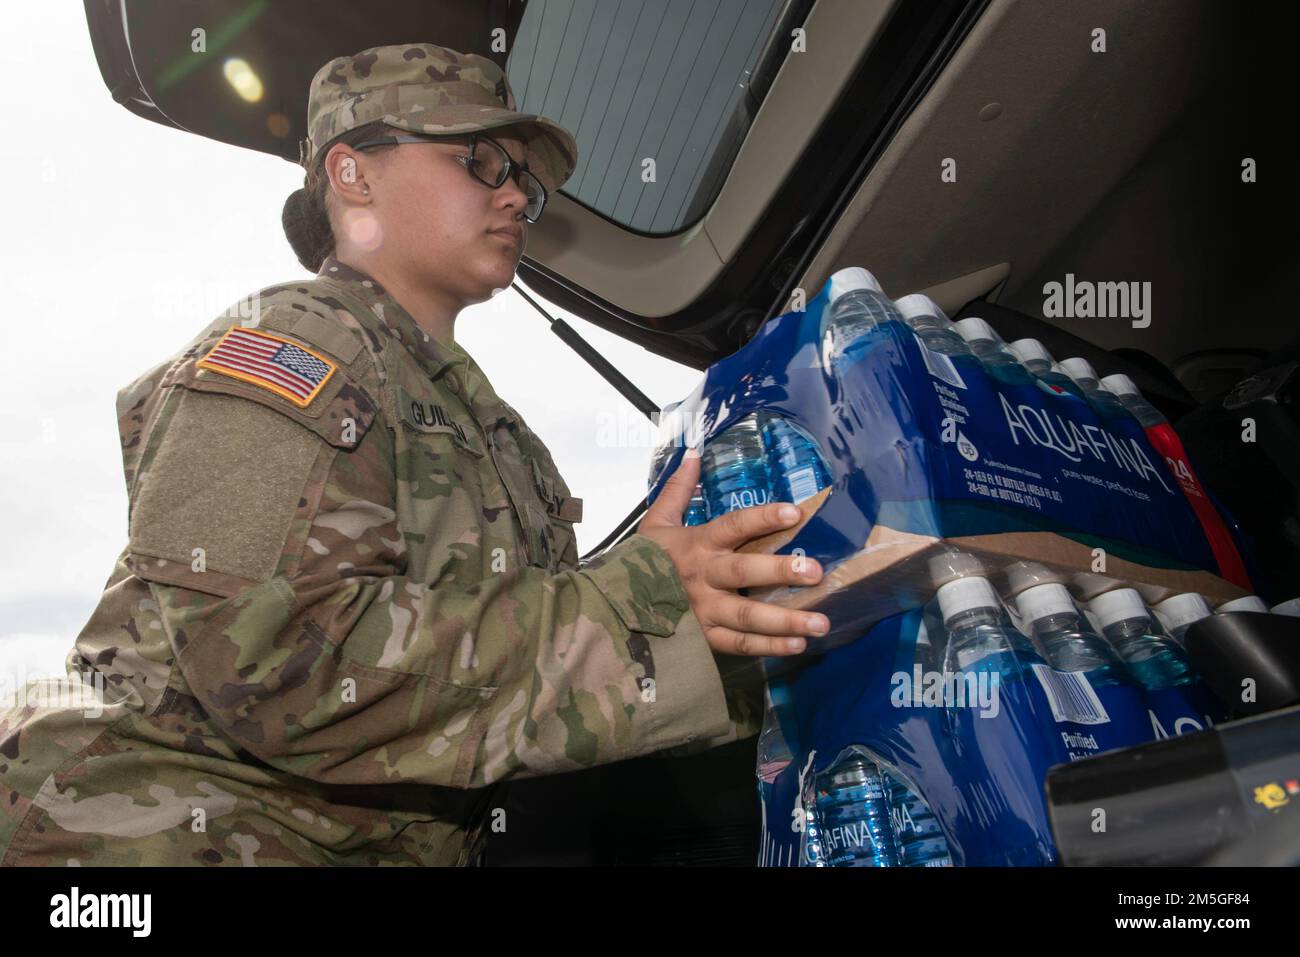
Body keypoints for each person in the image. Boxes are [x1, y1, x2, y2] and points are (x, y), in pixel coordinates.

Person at [0, 43, 829, 866]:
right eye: (485, 160)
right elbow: (276, 659)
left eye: (525, 184)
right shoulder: (289, 340)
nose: (515, 196)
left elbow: (533, 696)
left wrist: (754, 632)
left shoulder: (505, 440)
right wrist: (635, 601)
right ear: (354, 174)